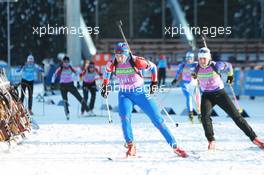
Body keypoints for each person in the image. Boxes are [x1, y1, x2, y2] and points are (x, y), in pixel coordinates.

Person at [101, 42, 187, 158]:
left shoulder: (137, 61)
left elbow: (153, 68)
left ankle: (175, 146)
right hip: (124, 94)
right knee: (124, 118)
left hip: (140, 93)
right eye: (116, 55)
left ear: (126, 54)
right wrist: (105, 85)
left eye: (121, 55)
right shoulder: (113, 63)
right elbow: (107, 72)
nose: (119, 58)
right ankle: (131, 146)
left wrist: (154, 82)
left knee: (157, 119)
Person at [192, 47, 264, 150]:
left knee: (236, 116)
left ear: (208, 58)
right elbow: (194, 75)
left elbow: (229, 66)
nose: (202, 61)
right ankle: (211, 140)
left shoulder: (216, 65)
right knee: (204, 117)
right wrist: (194, 78)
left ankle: (255, 139)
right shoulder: (196, 68)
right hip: (207, 95)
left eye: (204, 58)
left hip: (220, 93)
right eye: (200, 59)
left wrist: (230, 77)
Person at [51, 56, 89, 120]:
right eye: (65, 62)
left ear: (69, 62)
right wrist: (52, 84)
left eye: (67, 62)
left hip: (70, 85)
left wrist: (77, 82)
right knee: (65, 100)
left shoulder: (70, 67)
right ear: (63, 62)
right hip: (63, 86)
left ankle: (88, 110)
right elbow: (54, 75)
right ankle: (67, 114)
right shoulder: (60, 68)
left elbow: (77, 74)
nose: (66, 63)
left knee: (79, 97)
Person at [171, 51, 201, 123]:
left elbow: (201, 72)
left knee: (197, 99)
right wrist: (175, 79)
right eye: (187, 58)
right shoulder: (182, 65)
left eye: (190, 58)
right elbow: (178, 73)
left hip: (193, 83)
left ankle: (200, 114)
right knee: (189, 97)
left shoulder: (196, 64)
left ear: (193, 58)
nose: (188, 59)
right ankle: (190, 115)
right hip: (184, 83)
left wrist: (196, 76)